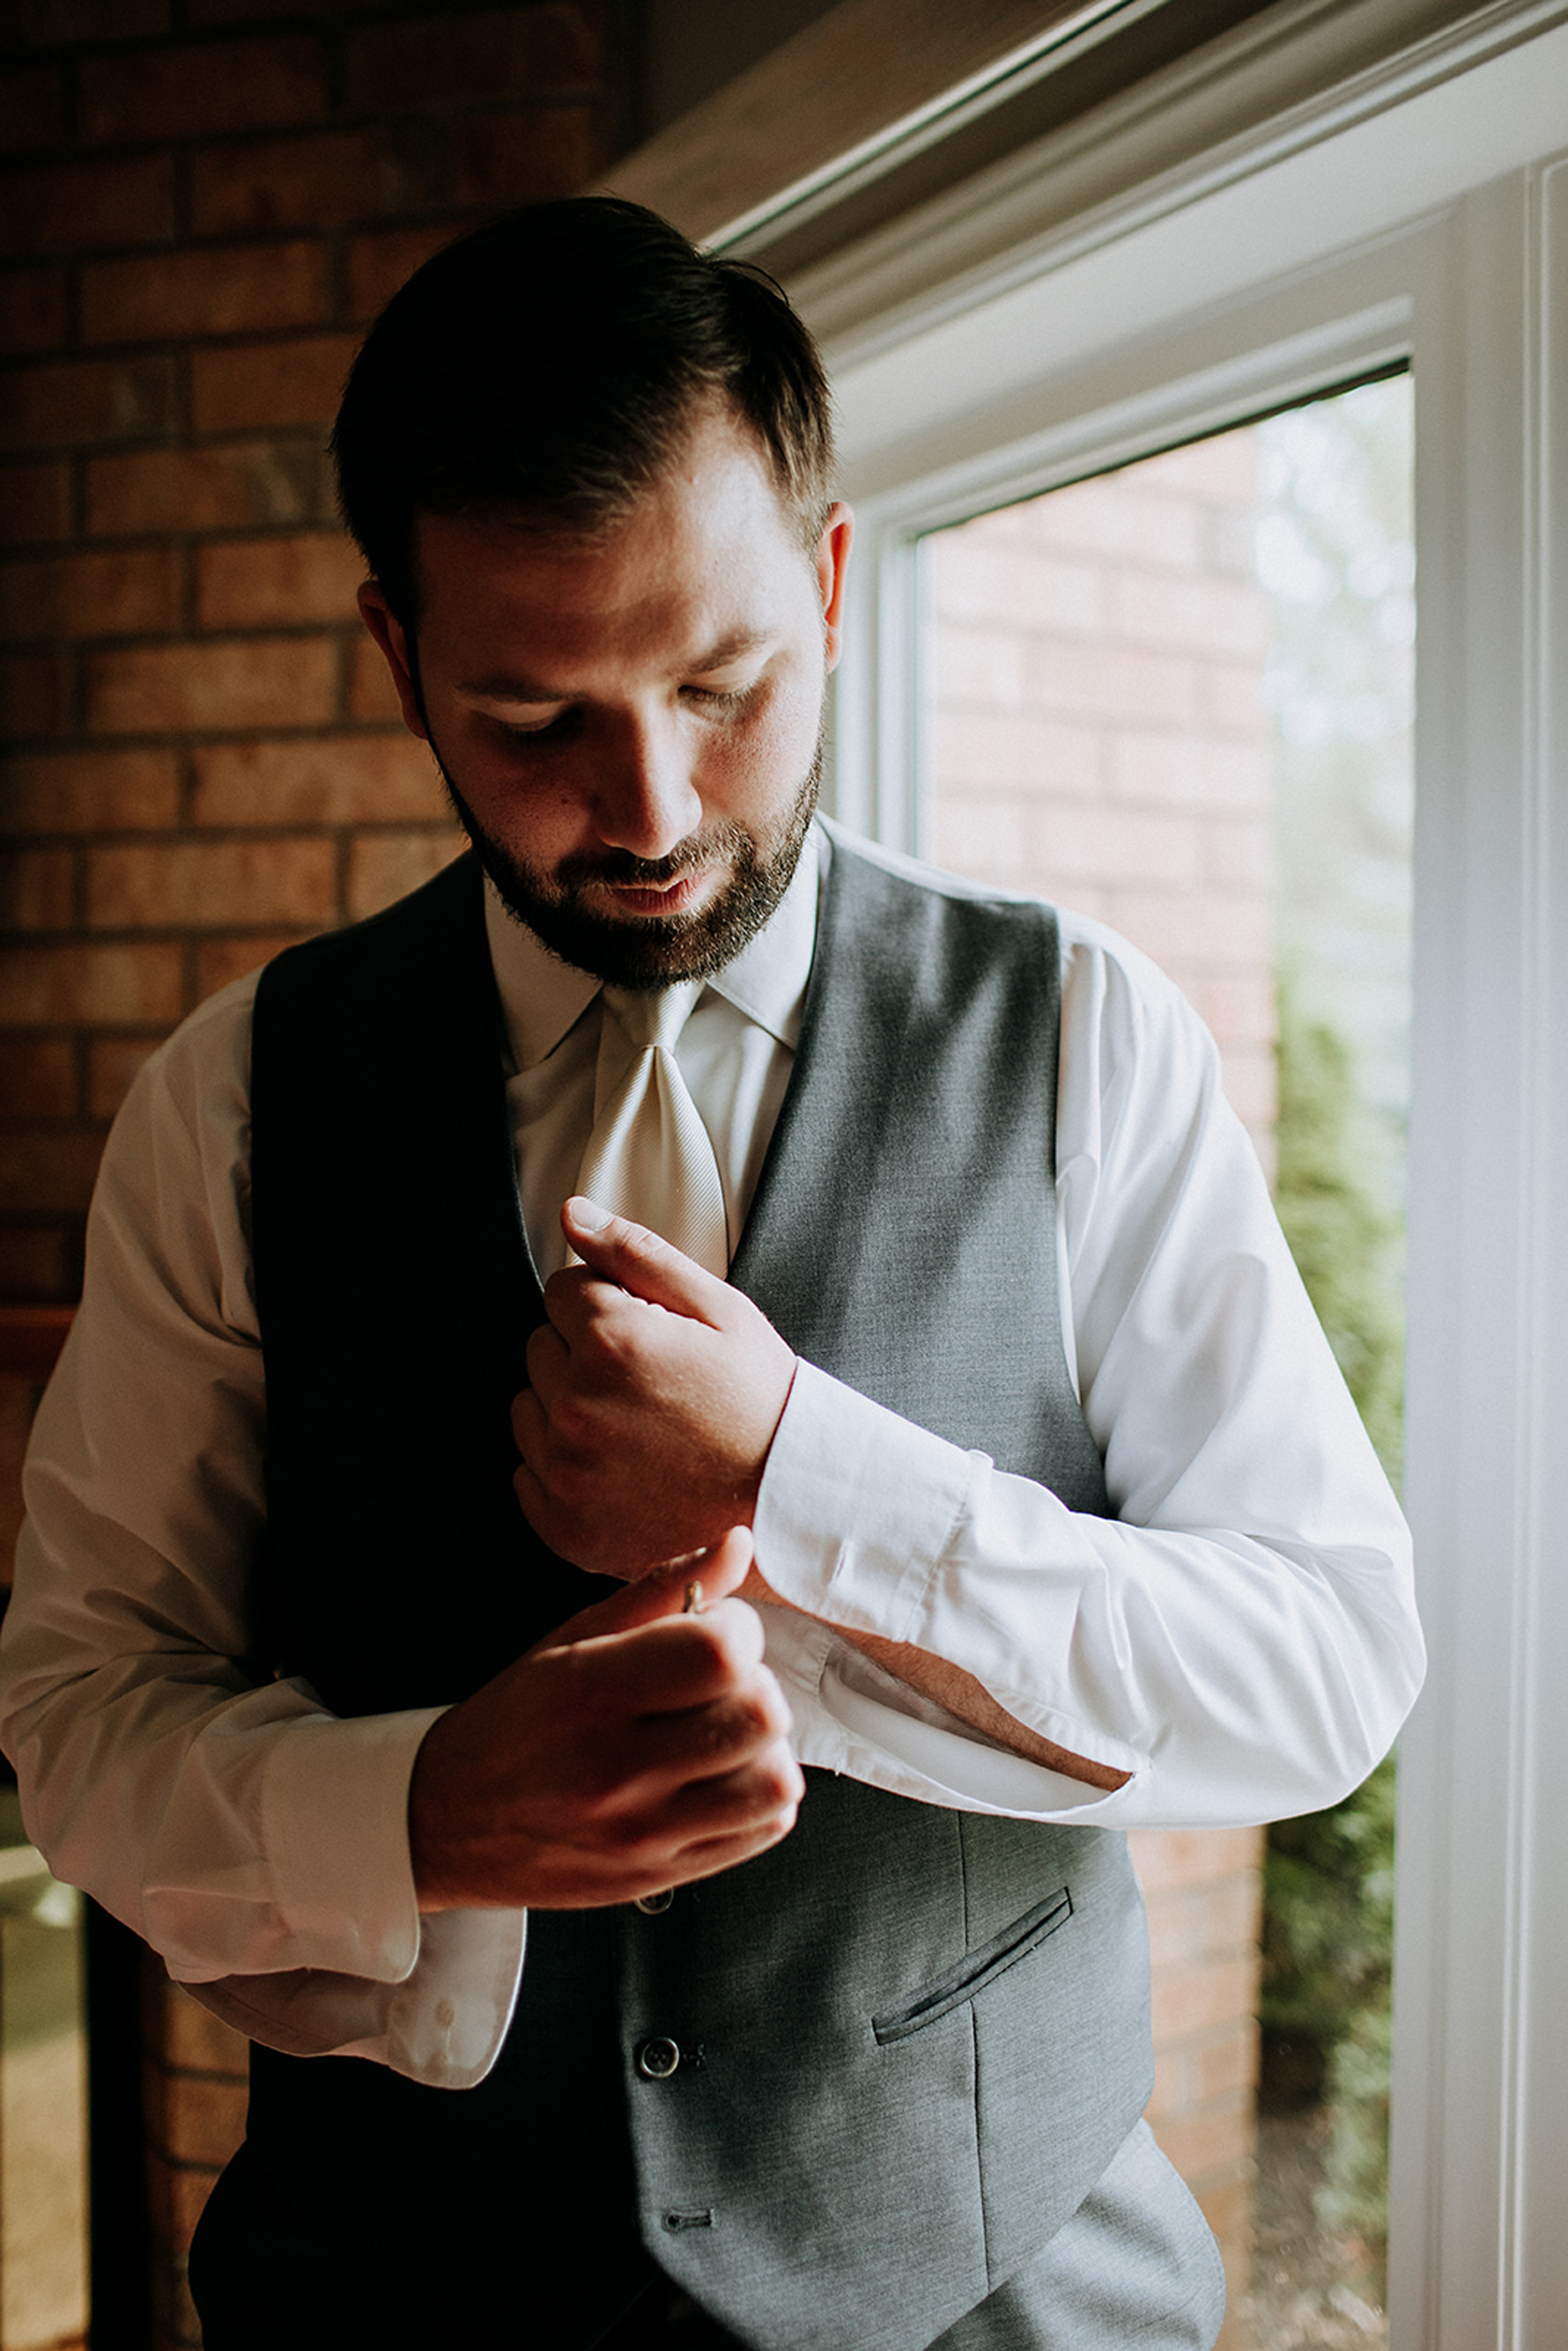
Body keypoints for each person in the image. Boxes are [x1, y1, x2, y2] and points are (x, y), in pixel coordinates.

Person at [0, 200, 1423, 2351]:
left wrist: (796, 1478)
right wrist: (419, 1806)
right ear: (400, 664)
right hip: (389, 2298)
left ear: (833, 588)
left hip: (1007, 2292)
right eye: (531, 716)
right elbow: (81, 1714)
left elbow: (1324, 1663)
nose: (647, 804)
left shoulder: (1078, 1037)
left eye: (725, 683)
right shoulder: (231, 1101)